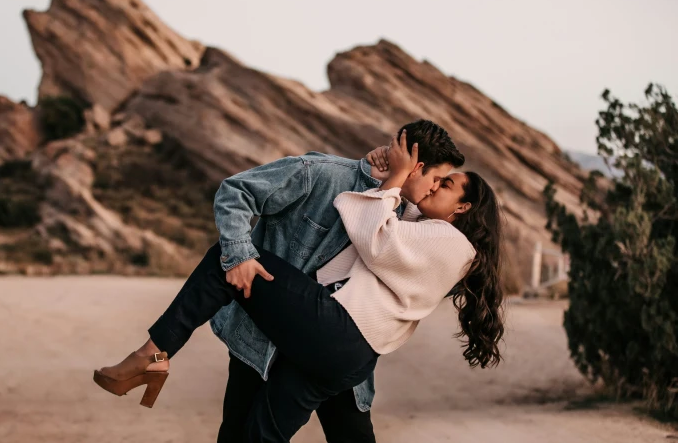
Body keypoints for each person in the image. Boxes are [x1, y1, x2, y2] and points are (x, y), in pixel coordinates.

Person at [93, 129, 506, 442]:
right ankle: (152, 357)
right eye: (437, 178)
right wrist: (387, 176)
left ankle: (151, 354)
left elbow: (375, 235)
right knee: (256, 435)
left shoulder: (442, 237)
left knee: (232, 260)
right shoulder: (331, 177)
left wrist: (394, 182)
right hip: (312, 342)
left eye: (444, 185)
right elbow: (237, 190)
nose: (434, 187)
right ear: (417, 167)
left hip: (334, 334)